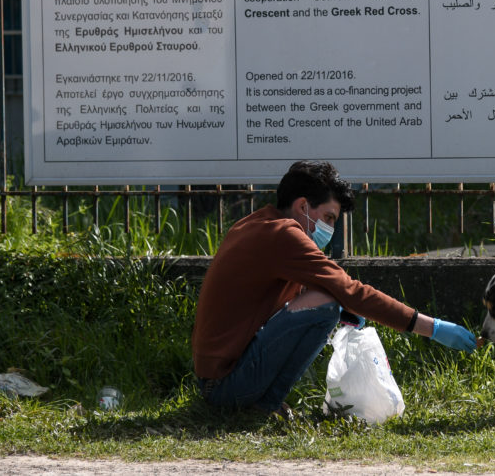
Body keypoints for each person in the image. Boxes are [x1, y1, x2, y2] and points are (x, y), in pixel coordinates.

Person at [191, 160, 477, 417]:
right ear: (303, 206)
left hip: (215, 381)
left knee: (329, 302)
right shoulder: (284, 235)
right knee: (327, 304)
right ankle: (264, 405)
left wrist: (343, 307)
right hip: (226, 386)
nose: (330, 227)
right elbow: (351, 290)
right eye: (328, 217)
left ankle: (261, 402)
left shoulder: (258, 223)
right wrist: (433, 327)